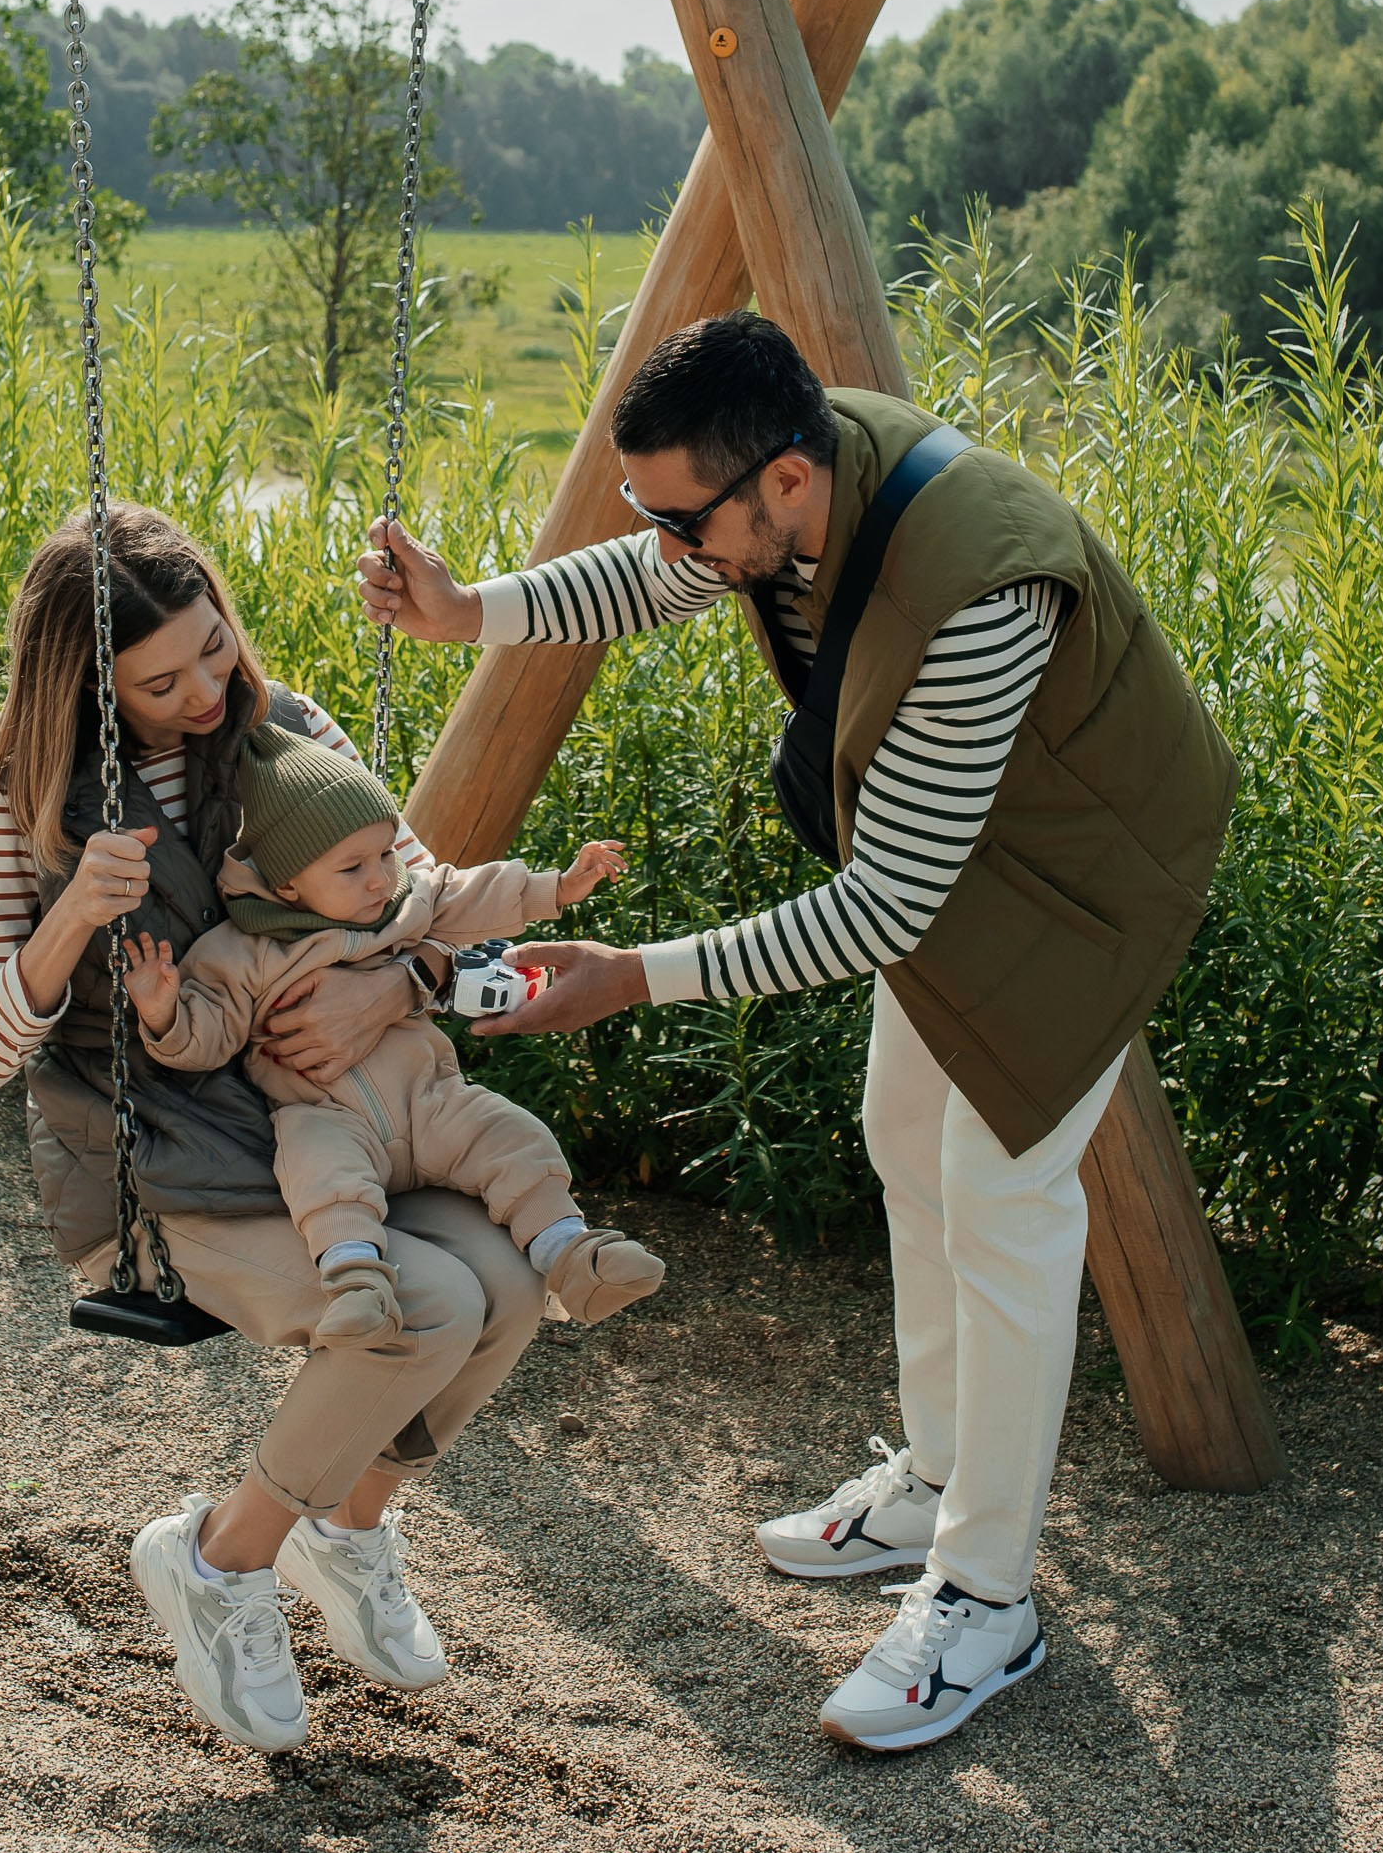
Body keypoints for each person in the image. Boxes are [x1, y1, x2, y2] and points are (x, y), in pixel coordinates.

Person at [358, 313, 1238, 1754]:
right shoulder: (777, 481)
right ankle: (939, 1477)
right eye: (654, 513)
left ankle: (987, 1595)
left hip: (1089, 876)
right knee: (907, 1137)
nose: (667, 546)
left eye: (683, 519)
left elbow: (882, 910)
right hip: (962, 844)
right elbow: (655, 581)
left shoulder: (977, 592)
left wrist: (632, 974)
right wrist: (476, 613)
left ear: (778, 481)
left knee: (1004, 1196)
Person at [0, 501, 548, 1760]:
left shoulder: (288, 735)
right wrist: (67, 927)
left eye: (214, 649)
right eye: (160, 683)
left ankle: (347, 1529)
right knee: (425, 1303)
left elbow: (435, 913)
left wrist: (399, 983)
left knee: (510, 1276)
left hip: (342, 1118)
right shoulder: (6, 796)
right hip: (175, 1165)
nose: (207, 691)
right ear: (84, 688)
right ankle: (219, 1563)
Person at [119, 718, 664, 1336]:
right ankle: (357, 1286)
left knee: (510, 1137)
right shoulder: (243, 951)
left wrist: (559, 886)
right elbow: (208, 1036)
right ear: (287, 883)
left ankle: (574, 1256)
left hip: (429, 1100)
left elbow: (467, 892)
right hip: (327, 1115)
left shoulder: (402, 903)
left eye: (384, 852)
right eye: (352, 868)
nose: (380, 876)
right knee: (319, 1176)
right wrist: (164, 1011)